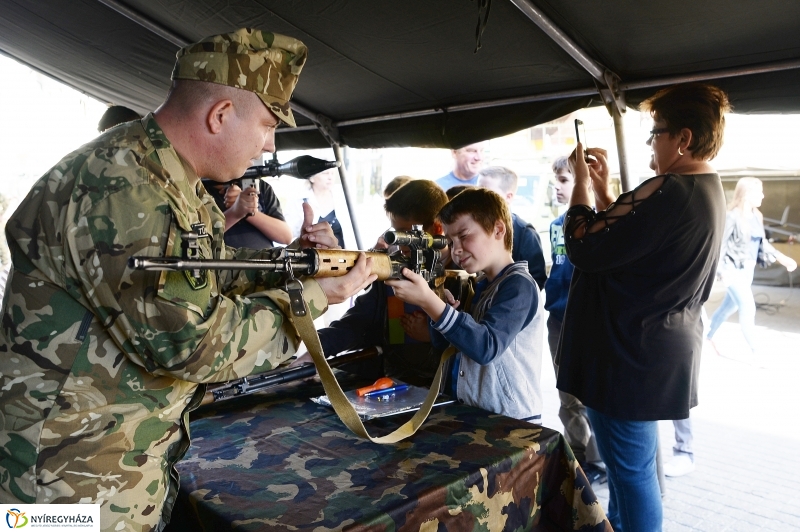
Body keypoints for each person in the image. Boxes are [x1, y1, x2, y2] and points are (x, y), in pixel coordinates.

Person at [0, 28, 375, 531]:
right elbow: (194, 346)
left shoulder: (168, 178)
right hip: (60, 491)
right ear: (220, 114)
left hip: (105, 472)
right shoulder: (124, 188)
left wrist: (298, 263)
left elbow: (210, 273)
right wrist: (314, 297)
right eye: (267, 126)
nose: (269, 145)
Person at [556, 83, 731, 532]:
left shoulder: (670, 187)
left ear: (684, 138)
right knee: (631, 470)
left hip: (628, 355)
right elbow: (631, 243)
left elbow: (583, 246)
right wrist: (604, 191)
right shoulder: (705, 188)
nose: (652, 143)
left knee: (631, 476)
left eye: (656, 133)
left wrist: (580, 184)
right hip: (653, 350)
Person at [387, 188, 542, 422]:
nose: (456, 249)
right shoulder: (481, 285)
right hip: (476, 414)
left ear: (498, 229)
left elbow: (486, 347)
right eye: (451, 241)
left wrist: (429, 302)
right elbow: (448, 345)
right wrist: (439, 306)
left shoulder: (519, 286)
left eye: (464, 235)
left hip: (511, 423)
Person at [312, 179, 454, 383]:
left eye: (406, 234)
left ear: (437, 228)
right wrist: (315, 349)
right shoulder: (392, 267)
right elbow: (360, 321)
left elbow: (473, 341)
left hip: (443, 385)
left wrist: (433, 332)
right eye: (395, 233)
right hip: (392, 378)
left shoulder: (462, 275)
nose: (399, 244)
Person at [543, 156, 606, 485]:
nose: (557, 187)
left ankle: (598, 459)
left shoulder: (601, 224)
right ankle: (577, 454)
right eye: (555, 180)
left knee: (590, 394)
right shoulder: (556, 225)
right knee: (566, 394)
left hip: (587, 321)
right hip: (558, 318)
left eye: (565, 180)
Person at [707, 177, 797, 357]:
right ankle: (758, 352)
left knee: (729, 307)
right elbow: (719, 246)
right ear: (747, 194)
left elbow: (762, 243)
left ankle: (707, 337)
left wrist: (782, 258)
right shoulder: (731, 216)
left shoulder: (756, 216)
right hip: (732, 270)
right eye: (759, 192)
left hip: (748, 270)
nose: (763, 196)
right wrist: (722, 271)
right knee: (748, 307)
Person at [476, 166, 547, 289]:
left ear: (508, 197)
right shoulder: (474, 226)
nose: (478, 198)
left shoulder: (525, 233)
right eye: (477, 191)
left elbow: (536, 278)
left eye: (487, 193)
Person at [203, 177, 293, 249]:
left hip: (265, 262)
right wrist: (235, 212)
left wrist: (248, 208)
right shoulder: (199, 190)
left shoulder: (258, 185)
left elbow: (285, 237)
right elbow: (201, 236)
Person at [304, 168, 346, 248]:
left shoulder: (342, 197)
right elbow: (291, 235)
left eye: (332, 173)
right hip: (315, 253)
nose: (330, 177)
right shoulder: (300, 201)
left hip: (342, 252)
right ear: (312, 178)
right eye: (325, 173)